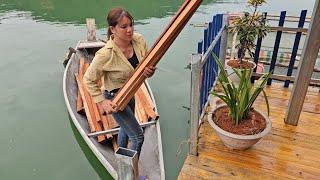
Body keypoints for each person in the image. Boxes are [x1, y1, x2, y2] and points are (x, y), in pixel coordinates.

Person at [84, 7, 156, 158]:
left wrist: (149, 72)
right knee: (138, 137)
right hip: (114, 98)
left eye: (131, 25)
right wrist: (101, 102)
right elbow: (88, 79)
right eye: (124, 27)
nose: (129, 30)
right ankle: (130, 173)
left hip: (131, 92)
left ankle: (121, 155)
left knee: (125, 127)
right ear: (113, 29)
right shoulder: (105, 54)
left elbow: (147, 65)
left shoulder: (139, 41)